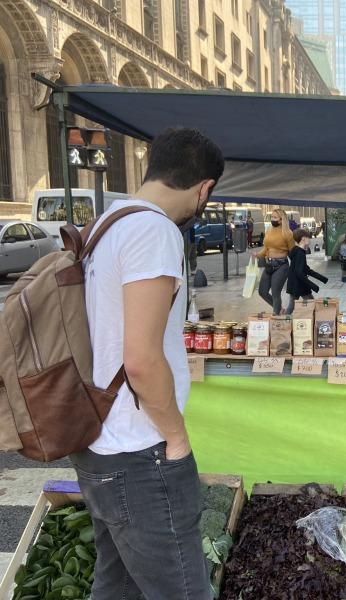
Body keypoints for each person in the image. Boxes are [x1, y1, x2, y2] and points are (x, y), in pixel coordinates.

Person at [71, 127, 224, 600]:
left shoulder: (107, 223)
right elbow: (140, 358)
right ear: (205, 189)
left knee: (117, 586)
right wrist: (176, 438)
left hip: (100, 443)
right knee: (183, 590)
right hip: (140, 454)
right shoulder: (153, 230)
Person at [254, 208, 295, 315]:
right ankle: (279, 309)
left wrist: (296, 268)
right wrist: (257, 255)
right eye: (271, 217)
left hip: (282, 265)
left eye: (275, 217)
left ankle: (276, 316)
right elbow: (266, 248)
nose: (272, 219)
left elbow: (292, 251)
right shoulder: (269, 230)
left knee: (275, 292)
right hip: (269, 264)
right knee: (262, 291)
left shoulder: (288, 233)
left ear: (281, 220)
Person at [286, 228, 328, 314]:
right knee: (312, 304)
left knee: (292, 306)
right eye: (309, 237)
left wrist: (322, 278)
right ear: (303, 239)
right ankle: (316, 322)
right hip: (300, 285)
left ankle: (285, 322)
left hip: (294, 283)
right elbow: (299, 272)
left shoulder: (296, 251)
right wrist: (313, 285)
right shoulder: (300, 253)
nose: (310, 239)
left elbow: (306, 269)